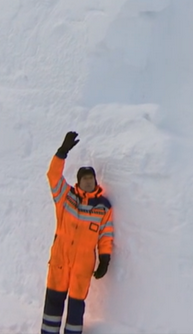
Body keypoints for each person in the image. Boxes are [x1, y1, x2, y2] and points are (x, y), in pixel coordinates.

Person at [41, 131, 114, 334]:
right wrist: (61, 153)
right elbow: (53, 176)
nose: (88, 182)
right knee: (53, 302)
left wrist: (105, 259)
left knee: (76, 306)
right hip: (60, 259)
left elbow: (106, 235)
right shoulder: (66, 197)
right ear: (79, 182)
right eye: (85, 179)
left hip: (83, 264)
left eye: (91, 179)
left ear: (95, 181)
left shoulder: (103, 207)